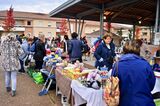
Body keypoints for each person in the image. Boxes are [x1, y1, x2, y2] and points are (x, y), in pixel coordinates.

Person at [112, 40, 156, 106]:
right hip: (144, 102)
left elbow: (114, 84)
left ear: (124, 50)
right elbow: (151, 85)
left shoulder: (117, 65)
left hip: (124, 102)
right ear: (138, 50)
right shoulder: (145, 64)